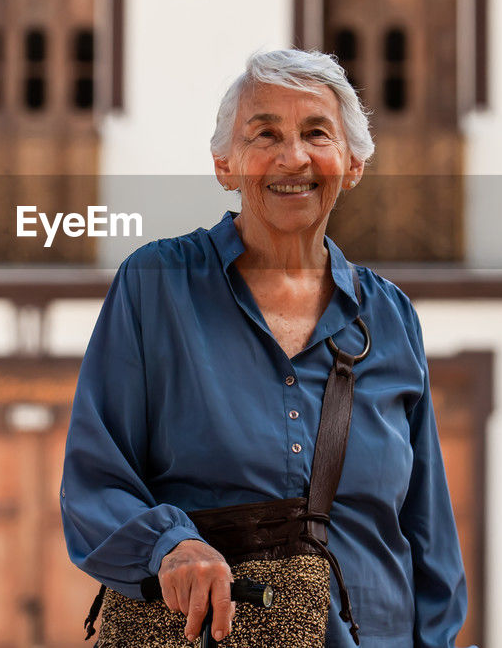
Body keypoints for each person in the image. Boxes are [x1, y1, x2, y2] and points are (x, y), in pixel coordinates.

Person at [60, 49, 469, 647]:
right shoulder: (157, 286)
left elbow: (425, 529)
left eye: (316, 133)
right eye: (265, 134)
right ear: (225, 165)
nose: (293, 157)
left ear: (352, 163)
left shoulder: (391, 315)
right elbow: (95, 480)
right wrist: (168, 545)